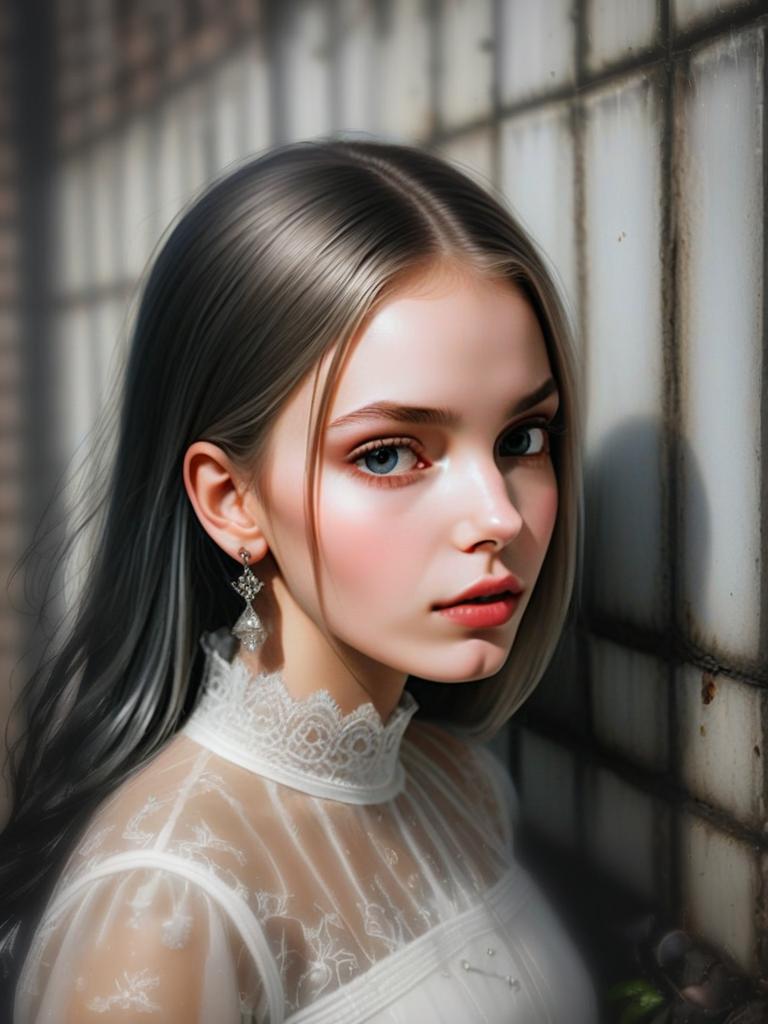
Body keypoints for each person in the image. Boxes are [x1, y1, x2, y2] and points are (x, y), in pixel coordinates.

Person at [1, 138, 597, 1022]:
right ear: (231, 499)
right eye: (391, 453)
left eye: (522, 439)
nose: (500, 517)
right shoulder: (162, 911)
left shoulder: (461, 786)